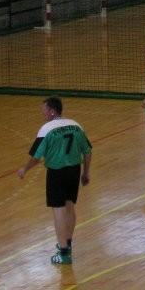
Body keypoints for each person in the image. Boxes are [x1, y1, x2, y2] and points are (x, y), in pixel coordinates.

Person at [17, 96, 93, 265]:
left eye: (44, 110)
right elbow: (87, 151)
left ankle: (64, 252)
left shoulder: (46, 129)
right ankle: (68, 244)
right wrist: (86, 172)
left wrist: (25, 169)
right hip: (74, 170)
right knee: (70, 206)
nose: (42, 113)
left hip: (56, 173)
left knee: (58, 210)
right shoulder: (76, 125)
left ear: (52, 112)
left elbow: (36, 157)